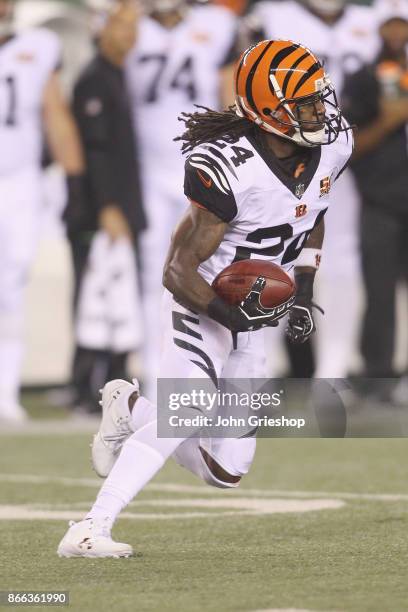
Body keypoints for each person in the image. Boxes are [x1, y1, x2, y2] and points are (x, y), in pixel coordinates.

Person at [57, 39, 353, 557]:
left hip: (253, 313)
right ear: (267, 109)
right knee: (187, 409)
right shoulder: (228, 166)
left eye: (318, 97)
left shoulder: (331, 145)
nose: (319, 111)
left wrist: (302, 287)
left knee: (226, 470)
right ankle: (88, 528)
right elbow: (177, 270)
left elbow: (315, 208)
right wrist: (228, 315)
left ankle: (130, 406)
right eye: (303, 103)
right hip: (205, 299)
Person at [243, 0, 379, 378]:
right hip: (281, 153)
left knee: (343, 260)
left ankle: (334, 367)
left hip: (349, 157)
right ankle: (259, 367)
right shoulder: (271, 17)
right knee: (269, 252)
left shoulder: (376, 20)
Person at [125, 0, 239, 400]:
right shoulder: (128, 24)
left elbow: (229, 100)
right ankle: (157, 378)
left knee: (217, 269)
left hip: (203, 169)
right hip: (144, 168)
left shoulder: (218, 23)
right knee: (151, 275)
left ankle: (217, 376)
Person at [0, 0, 86, 422]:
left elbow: (56, 115)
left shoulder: (38, 44)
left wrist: (76, 184)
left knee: (11, 285)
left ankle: (5, 391)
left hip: (19, 182)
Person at [66, 0, 146, 413]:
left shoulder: (117, 75)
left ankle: (111, 387)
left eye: (135, 26)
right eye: (123, 26)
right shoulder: (94, 80)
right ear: (103, 28)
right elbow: (95, 151)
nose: (131, 35)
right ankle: (85, 388)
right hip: (100, 214)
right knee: (94, 300)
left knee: (120, 302)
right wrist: (109, 207)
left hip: (121, 211)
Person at [342, 3, 408, 385]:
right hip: (381, 200)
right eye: (390, 27)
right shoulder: (363, 78)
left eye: (403, 27)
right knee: (379, 292)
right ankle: (378, 376)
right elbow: (347, 146)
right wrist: (387, 121)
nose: (397, 36)